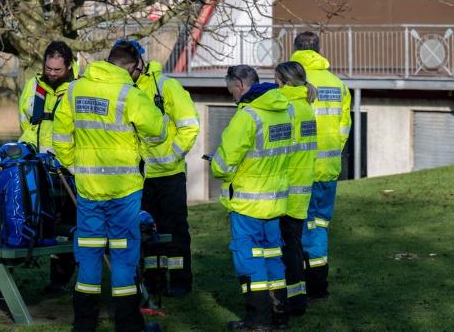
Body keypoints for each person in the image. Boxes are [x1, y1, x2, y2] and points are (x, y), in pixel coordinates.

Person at [53, 40, 165, 332]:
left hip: (89, 187)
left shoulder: (75, 89)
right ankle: (128, 324)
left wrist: (76, 167)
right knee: (124, 256)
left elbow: (61, 137)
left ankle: (84, 324)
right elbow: (158, 131)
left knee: (88, 255)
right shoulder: (130, 94)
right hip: (123, 190)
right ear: (131, 66)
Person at [211, 65, 291, 330]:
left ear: (240, 85)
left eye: (231, 90)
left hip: (248, 203)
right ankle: (279, 314)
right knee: (272, 258)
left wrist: (216, 166)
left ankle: (258, 321)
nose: (232, 96)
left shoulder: (247, 116)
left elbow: (223, 164)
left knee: (250, 260)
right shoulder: (284, 110)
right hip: (276, 200)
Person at [133, 41, 201, 298]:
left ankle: (181, 282)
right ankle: (154, 282)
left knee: (174, 231)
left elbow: (189, 125)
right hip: (139, 177)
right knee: (147, 232)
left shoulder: (166, 86)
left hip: (169, 174)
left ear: (141, 61)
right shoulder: (125, 89)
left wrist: (172, 156)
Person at [290, 31, 352, 300]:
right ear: (319, 49)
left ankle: (298, 283)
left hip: (300, 169)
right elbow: (344, 127)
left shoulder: (293, 82)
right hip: (328, 169)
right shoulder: (338, 84)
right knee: (319, 226)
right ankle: (318, 285)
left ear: (295, 49)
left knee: (297, 226)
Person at [18, 40, 78, 293]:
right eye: (48, 68)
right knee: (31, 217)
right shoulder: (33, 85)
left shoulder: (78, 90)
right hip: (36, 164)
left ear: (69, 66)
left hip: (67, 168)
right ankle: (20, 261)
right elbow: (26, 120)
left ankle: (59, 279)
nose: (52, 74)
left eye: (57, 70)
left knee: (67, 223)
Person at [275, 61, 318, 316]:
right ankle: (298, 299)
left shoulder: (286, 106)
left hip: (286, 189)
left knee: (286, 250)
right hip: (302, 189)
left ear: (284, 81)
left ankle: (291, 302)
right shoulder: (305, 106)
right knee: (294, 247)